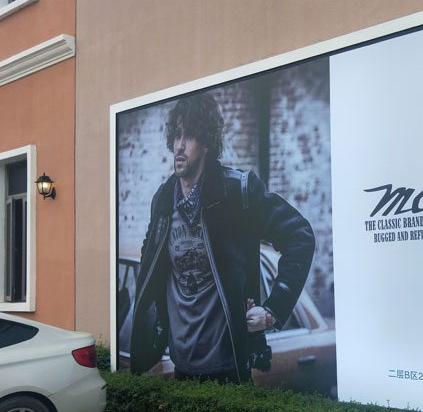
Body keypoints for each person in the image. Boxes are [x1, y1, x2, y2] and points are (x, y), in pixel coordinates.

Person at [129, 92, 315, 383]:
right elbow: (150, 268)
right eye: (176, 135)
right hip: (181, 367)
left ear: (206, 142)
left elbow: (299, 236)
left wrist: (272, 311)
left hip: (229, 369)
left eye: (189, 135)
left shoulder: (237, 193)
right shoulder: (163, 202)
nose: (179, 145)